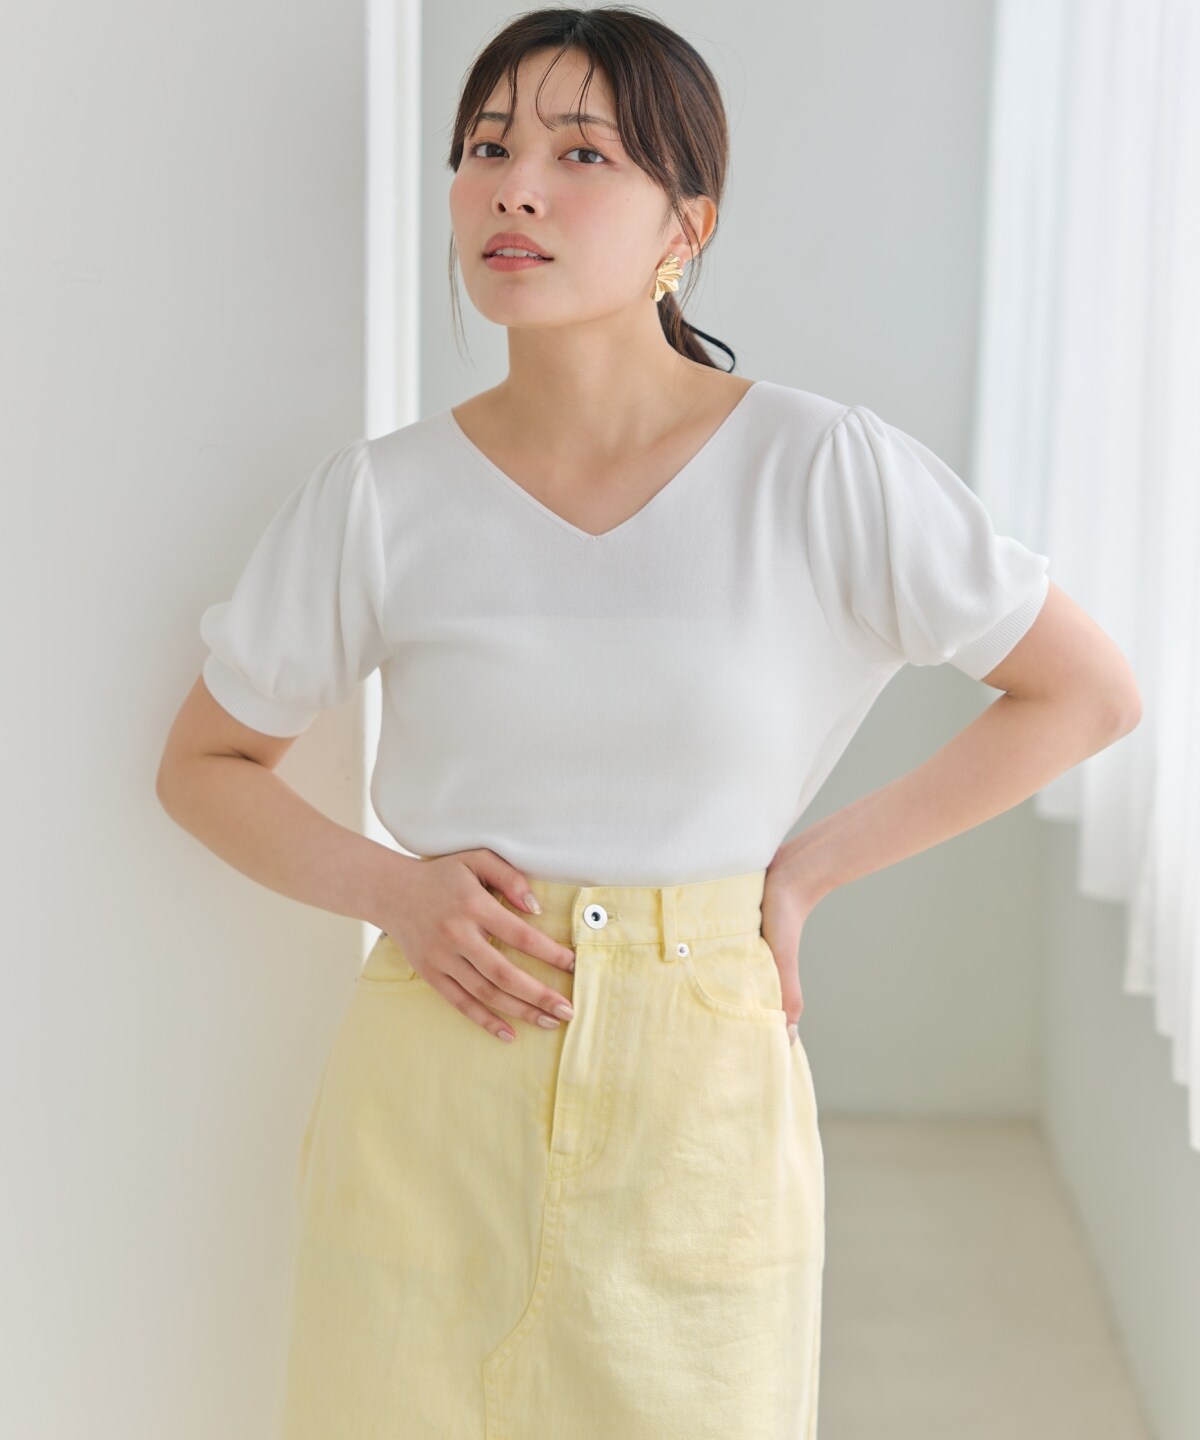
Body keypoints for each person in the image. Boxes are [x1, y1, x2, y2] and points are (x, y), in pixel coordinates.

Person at [155, 8, 1142, 1438]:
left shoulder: (820, 468)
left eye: (581, 154)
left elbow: (1085, 691)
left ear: (689, 224)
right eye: (485, 148)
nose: (514, 189)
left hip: (699, 1100)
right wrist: (395, 892)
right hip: (434, 1075)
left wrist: (806, 871)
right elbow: (205, 764)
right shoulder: (381, 499)